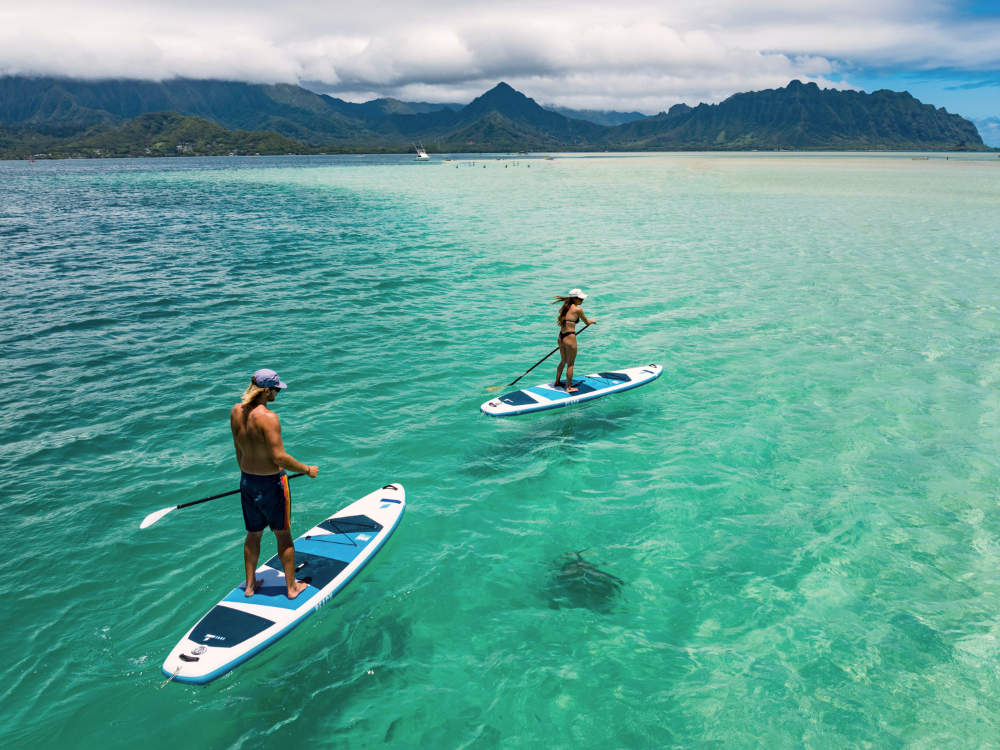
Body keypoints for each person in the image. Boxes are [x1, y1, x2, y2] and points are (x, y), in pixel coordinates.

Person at [230, 368, 318, 599]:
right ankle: (291, 588)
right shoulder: (269, 418)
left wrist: (249, 475)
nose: (277, 394)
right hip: (272, 484)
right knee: (283, 535)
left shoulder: (235, 411)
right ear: (267, 391)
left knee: (253, 534)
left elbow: (238, 450)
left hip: (247, 482)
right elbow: (279, 457)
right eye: (276, 390)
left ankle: (249, 586)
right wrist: (307, 469)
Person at [553, 288, 596, 393]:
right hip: (570, 337)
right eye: (581, 299)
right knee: (571, 363)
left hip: (561, 336)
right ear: (575, 299)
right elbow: (586, 322)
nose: (582, 301)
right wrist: (592, 321)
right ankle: (568, 387)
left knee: (563, 360)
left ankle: (557, 382)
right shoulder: (578, 310)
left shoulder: (565, 308)